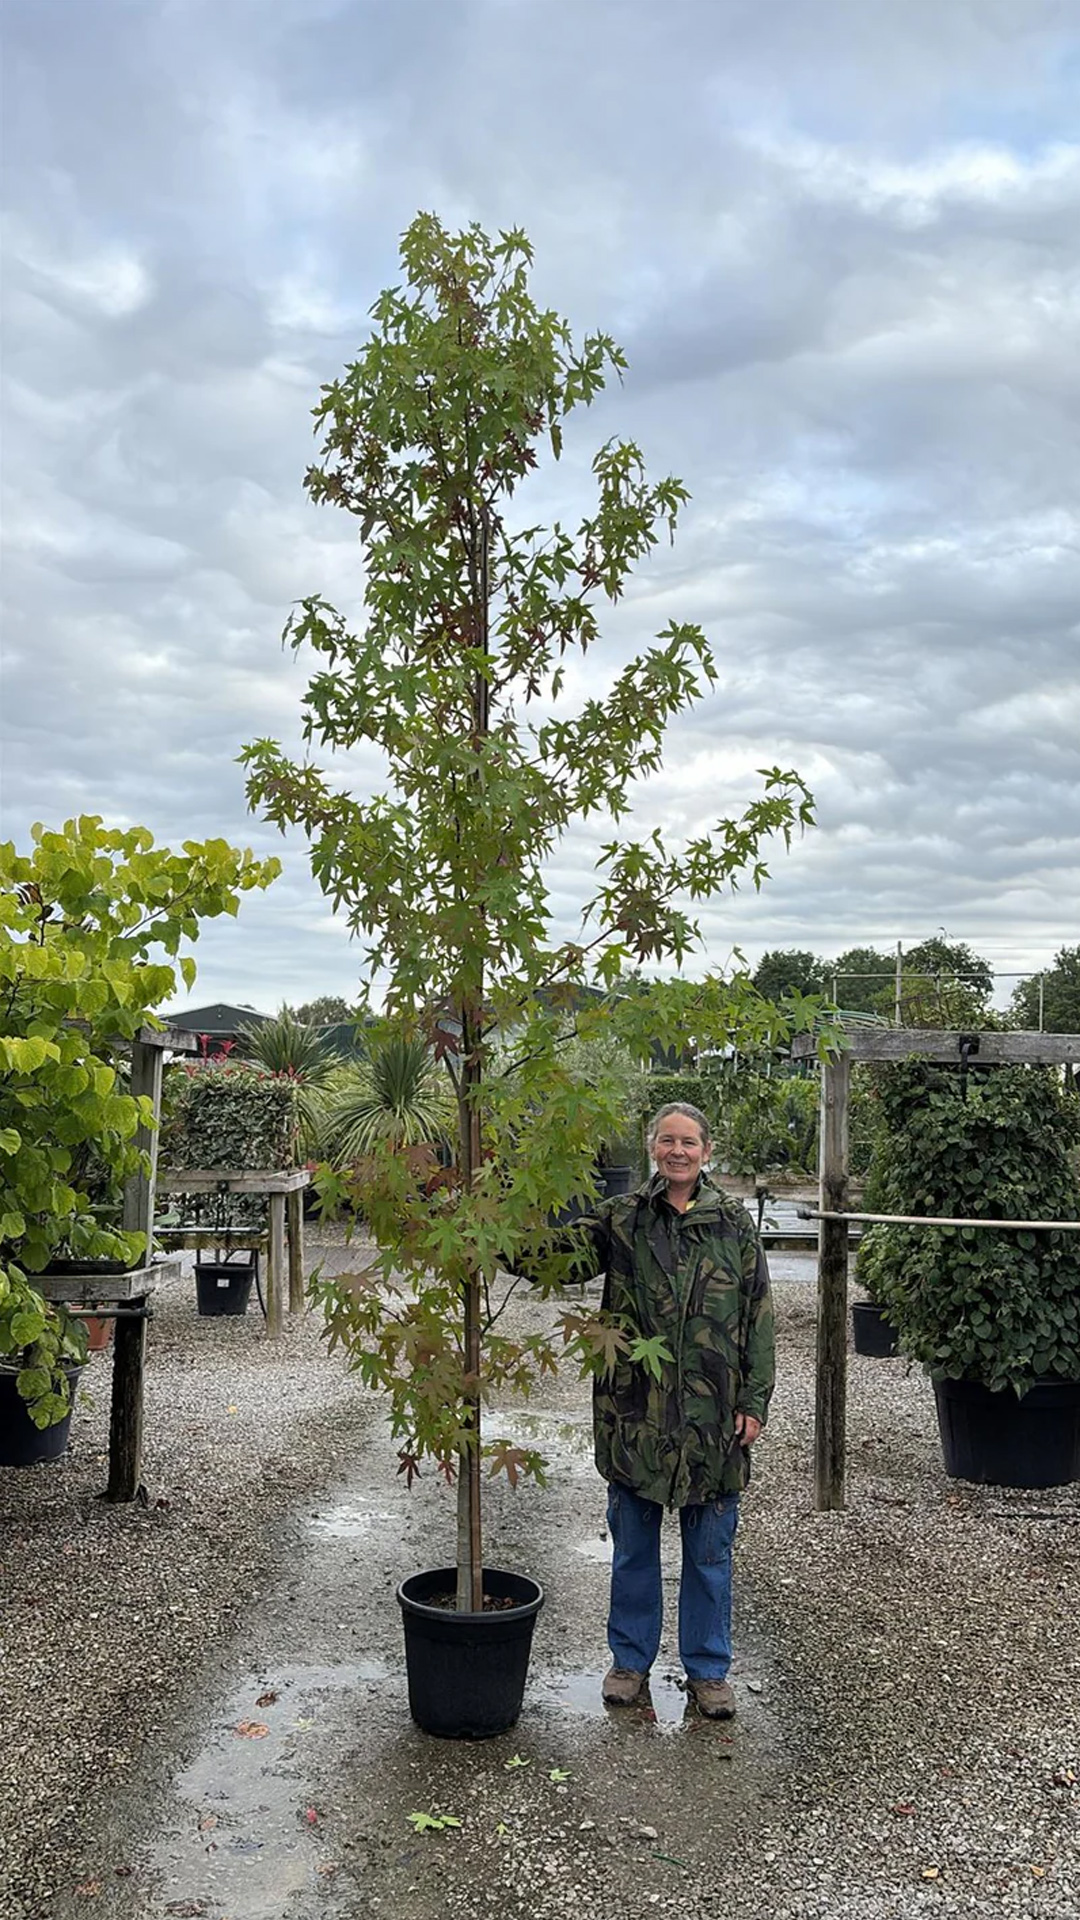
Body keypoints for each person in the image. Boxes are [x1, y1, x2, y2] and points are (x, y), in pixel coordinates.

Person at [532, 1101, 774, 1718]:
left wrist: (753, 1400)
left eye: (689, 1141)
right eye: (667, 1140)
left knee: (710, 1552)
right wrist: (500, 1236)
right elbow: (561, 1260)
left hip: (713, 1416)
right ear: (651, 1147)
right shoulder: (622, 1219)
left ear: (707, 1151)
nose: (678, 1151)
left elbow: (758, 1317)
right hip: (634, 1412)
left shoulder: (734, 1225)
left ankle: (708, 1670)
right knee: (634, 1548)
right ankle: (630, 1663)